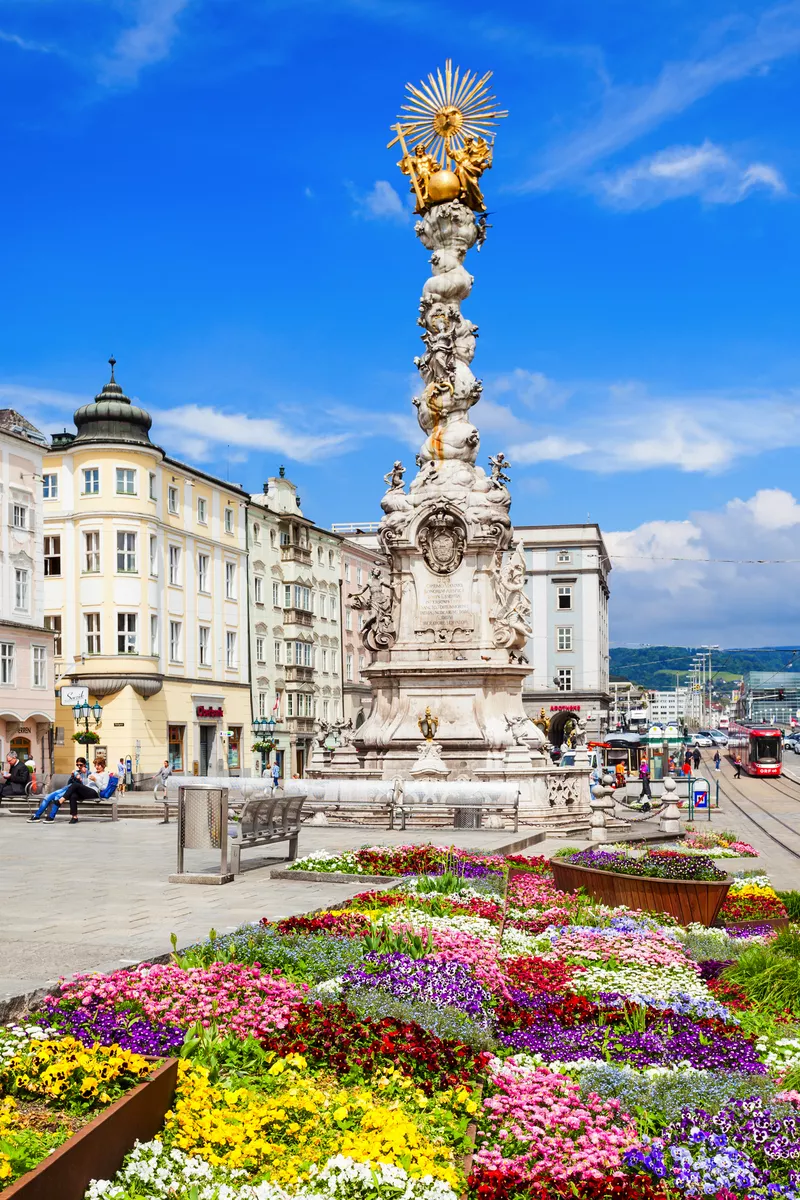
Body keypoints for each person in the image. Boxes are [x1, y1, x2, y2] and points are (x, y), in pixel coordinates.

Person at [59, 757, 109, 825]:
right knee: (73, 795)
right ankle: (74, 817)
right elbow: (86, 784)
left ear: (103, 765)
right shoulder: (93, 773)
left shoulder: (105, 774)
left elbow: (103, 788)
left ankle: (61, 800)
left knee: (75, 785)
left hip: (94, 792)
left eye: (98, 765)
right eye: (95, 765)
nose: (97, 767)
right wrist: (83, 776)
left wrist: (95, 780)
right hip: (87, 790)